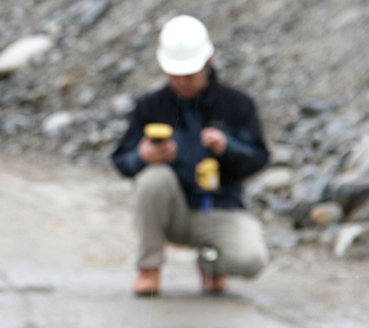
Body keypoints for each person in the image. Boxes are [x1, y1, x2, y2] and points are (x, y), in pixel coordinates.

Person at [112, 15, 269, 296]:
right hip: (173, 212)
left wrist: (227, 148)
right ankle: (149, 268)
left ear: (207, 63)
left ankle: (210, 264)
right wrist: (142, 157)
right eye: (175, 74)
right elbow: (121, 160)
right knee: (153, 178)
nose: (181, 82)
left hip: (220, 209)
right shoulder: (151, 106)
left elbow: (259, 157)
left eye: (189, 74)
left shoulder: (237, 105)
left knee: (251, 259)